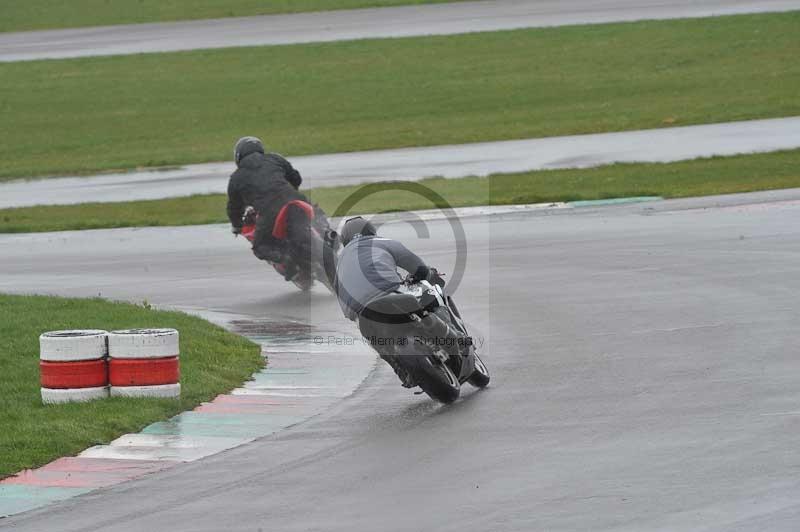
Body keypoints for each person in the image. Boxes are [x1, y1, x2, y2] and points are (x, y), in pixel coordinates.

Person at [335, 216, 461, 387]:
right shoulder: (382, 242)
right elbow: (419, 268)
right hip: (390, 293)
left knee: (378, 341)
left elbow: (343, 303)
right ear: (371, 231)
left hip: (361, 311)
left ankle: (401, 370)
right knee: (425, 299)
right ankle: (453, 338)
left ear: (345, 240)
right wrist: (428, 274)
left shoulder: (340, 262)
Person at [226, 136, 314, 277]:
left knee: (260, 247)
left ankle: (288, 260)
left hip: (270, 211)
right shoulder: (274, 159)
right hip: (295, 200)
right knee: (312, 209)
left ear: (238, 156)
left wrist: (237, 226)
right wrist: (290, 189)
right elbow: (296, 178)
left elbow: (234, 208)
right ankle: (327, 233)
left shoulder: (236, 178)